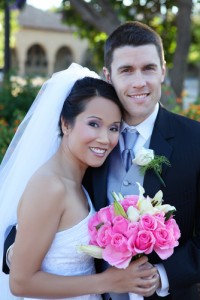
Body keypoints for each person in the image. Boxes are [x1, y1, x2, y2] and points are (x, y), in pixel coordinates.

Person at [0, 63, 159, 300]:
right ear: (66, 123)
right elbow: (21, 283)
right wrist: (108, 281)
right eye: (93, 124)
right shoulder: (50, 186)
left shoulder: (78, 181)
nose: (105, 139)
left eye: (114, 128)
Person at [83, 21, 200, 300]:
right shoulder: (86, 137)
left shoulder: (195, 140)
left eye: (148, 68)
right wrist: (17, 246)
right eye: (126, 70)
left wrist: (163, 275)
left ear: (163, 70)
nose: (139, 82)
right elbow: (50, 189)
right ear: (108, 76)